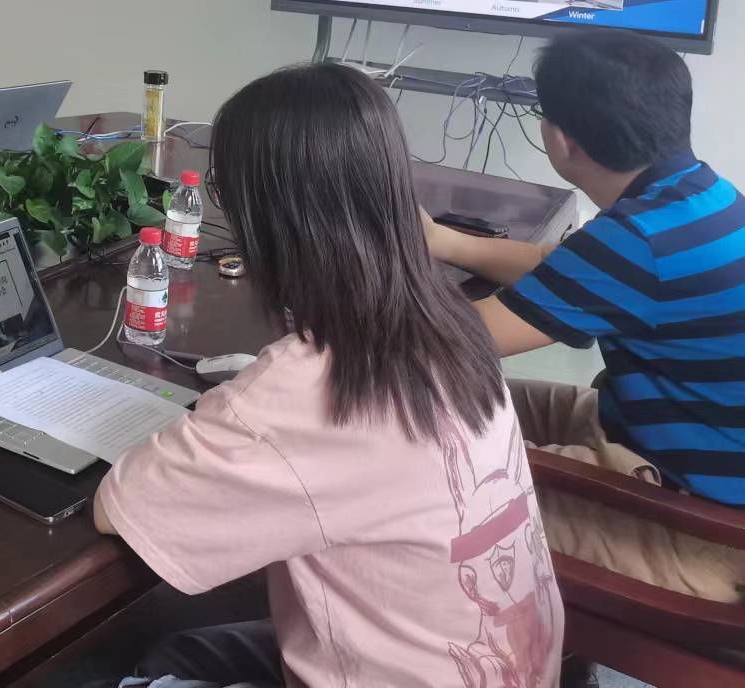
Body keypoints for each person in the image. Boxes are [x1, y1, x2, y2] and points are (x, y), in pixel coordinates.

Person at [93, 64, 562, 688]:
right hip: (504, 666)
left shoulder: (304, 390)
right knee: (183, 652)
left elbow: (121, 509)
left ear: (266, 219)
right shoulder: (454, 326)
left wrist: (238, 415)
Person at [427, 28, 745, 601]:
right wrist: (443, 241)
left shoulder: (636, 242)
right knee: (434, 404)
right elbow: (563, 267)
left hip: (703, 531)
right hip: (658, 441)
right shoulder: (701, 197)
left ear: (558, 139)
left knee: (420, 490)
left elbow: (452, 340)